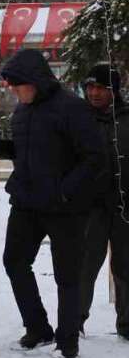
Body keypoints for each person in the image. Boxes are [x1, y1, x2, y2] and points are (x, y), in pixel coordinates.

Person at [0, 48, 104, 358]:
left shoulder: (72, 108)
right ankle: (38, 329)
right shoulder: (22, 110)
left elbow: (94, 157)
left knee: (67, 275)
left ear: (35, 80)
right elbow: (23, 150)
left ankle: (67, 342)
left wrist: (65, 192)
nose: (14, 90)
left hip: (65, 208)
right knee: (14, 261)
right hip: (27, 201)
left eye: (17, 85)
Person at [77, 63, 129, 341]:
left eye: (101, 88)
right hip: (90, 207)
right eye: (90, 87)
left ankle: (127, 325)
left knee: (125, 267)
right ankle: (74, 322)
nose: (94, 93)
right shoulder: (79, 119)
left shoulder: (127, 118)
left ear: (114, 90)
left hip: (124, 207)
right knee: (84, 266)